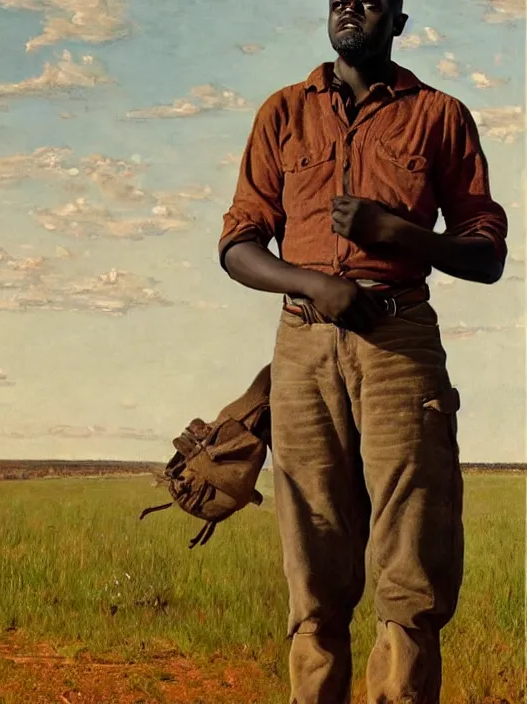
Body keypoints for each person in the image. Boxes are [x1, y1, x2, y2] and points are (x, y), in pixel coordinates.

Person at [217, 0, 508, 703]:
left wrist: (402, 234)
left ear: (399, 21)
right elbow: (237, 244)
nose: (352, 7)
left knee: (412, 551)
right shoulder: (283, 112)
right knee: (313, 554)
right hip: (303, 347)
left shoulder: (439, 115)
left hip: (398, 340)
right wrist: (314, 286)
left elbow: (486, 252)